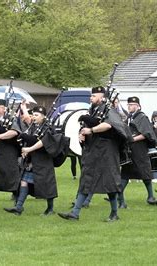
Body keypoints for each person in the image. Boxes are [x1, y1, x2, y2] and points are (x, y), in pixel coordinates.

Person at [58, 86, 127, 222]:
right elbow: (87, 126)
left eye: (94, 96)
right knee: (86, 179)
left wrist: (92, 131)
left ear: (102, 97)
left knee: (109, 182)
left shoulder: (109, 110)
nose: (91, 98)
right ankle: (75, 213)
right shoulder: (93, 110)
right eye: (91, 96)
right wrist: (82, 134)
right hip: (93, 150)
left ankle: (114, 213)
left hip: (107, 151)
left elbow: (109, 125)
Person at [4, 105, 68, 216]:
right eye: (33, 115)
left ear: (43, 116)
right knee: (24, 181)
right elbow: (31, 139)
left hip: (43, 160)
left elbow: (43, 142)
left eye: (36, 115)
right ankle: (19, 207)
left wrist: (29, 149)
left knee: (46, 185)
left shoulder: (47, 127)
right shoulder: (34, 126)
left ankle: (50, 209)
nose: (34, 117)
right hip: (32, 159)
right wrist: (25, 148)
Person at [119, 97, 157, 208]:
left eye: (132, 104)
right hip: (129, 151)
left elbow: (146, 134)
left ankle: (150, 196)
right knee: (125, 174)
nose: (130, 106)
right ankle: (121, 200)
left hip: (140, 150)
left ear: (138, 106)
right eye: (129, 105)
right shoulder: (128, 118)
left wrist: (132, 139)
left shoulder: (142, 117)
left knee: (145, 173)